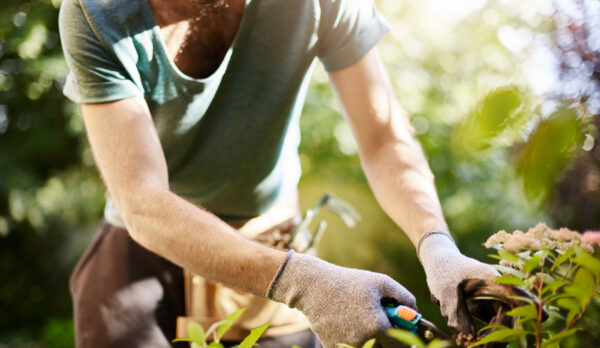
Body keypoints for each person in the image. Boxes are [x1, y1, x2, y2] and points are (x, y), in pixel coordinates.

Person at [58, 0, 505, 347]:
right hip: (140, 257)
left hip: (270, 239)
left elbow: (383, 138)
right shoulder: (95, 14)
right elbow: (142, 202)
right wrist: (304, 281)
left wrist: (437, 246)